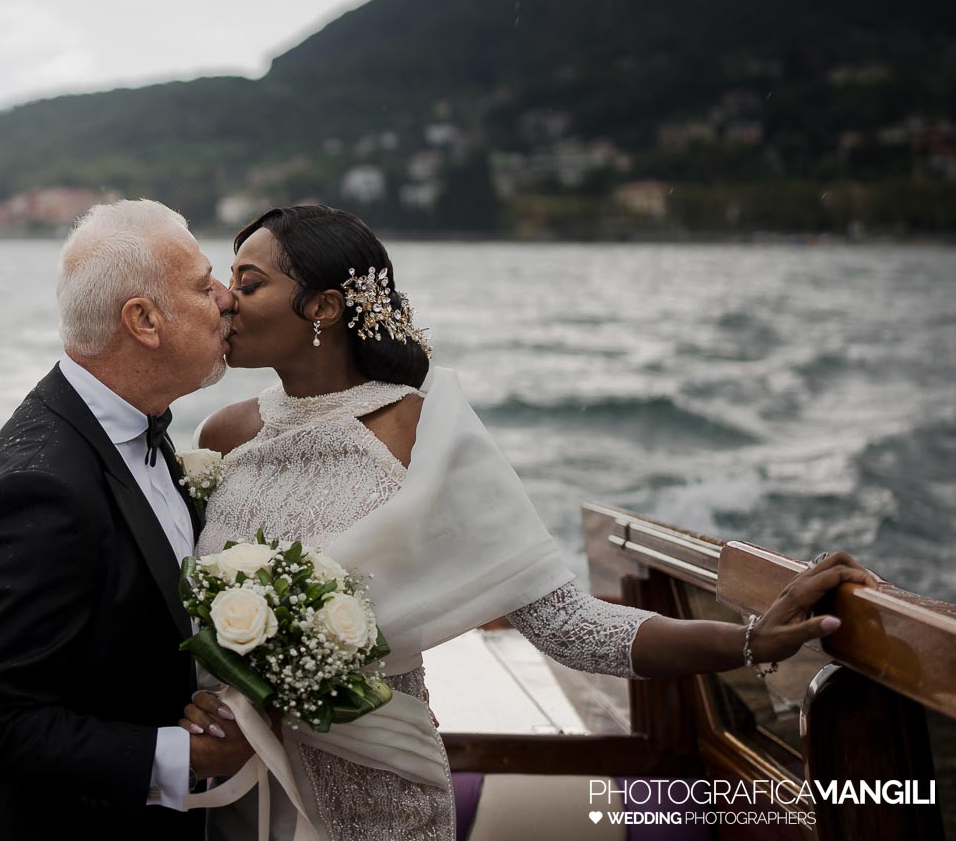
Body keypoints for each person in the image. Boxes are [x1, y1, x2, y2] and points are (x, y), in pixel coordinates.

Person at [180, 204, 881, 841]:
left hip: (375, 792)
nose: (224, 301)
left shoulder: (421, 433)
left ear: (323, 307)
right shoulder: (224, 435)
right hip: (229, 782)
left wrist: (750, 638)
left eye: (248, 283)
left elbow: (568, 626)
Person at [0, 199, 254, 841]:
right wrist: (186, 757)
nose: (225, 297)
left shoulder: (134, 430)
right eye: (200, 282)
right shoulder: (40, 488)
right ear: (145, 321)